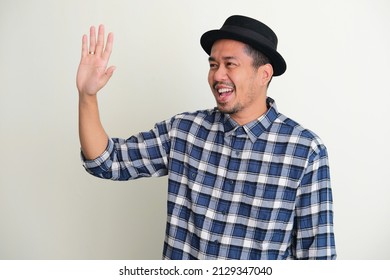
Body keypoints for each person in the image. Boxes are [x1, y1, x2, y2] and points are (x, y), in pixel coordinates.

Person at [76, 15, 336, 260]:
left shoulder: (305, 151)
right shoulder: (184, 131)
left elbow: (317, 256)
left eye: (230, 64)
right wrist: (87, 96)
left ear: (264, 74)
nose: (217, 75)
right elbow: (107, 161)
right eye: (213, 65)